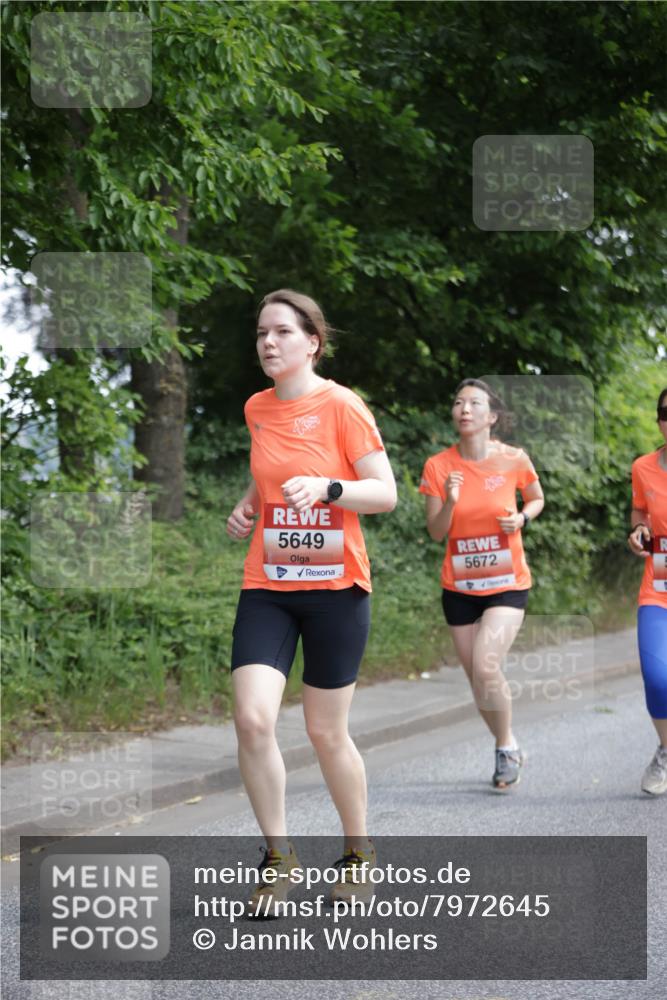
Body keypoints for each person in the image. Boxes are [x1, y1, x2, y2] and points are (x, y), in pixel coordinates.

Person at [227, 289, 397, 914]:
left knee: (326, 731)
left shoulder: (343, 405)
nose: (267, 343)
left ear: (312, 343)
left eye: (280, 333)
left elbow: (384, 494)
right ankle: (278, 857)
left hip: (335, 588)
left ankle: (358, 852)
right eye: (260, 334)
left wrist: (328, 489)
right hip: (269, 583)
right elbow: (270, 468)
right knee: (252, 719)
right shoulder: (257, 407)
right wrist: (252, 501)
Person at [419, 378, 545, 789]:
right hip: (459, 588)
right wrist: (452, 502)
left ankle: (506, 745)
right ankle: (505, 742)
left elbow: (537, 497)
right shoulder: (438, 466)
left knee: (486, 664)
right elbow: (437, 532)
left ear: (492, 417)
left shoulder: (513, 459)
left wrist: (523, 518)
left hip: (507, 582)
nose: (464, 409)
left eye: (474, 403)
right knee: (478, 679)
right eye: (458, 403)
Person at [627, 387, 667, 795]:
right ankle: (666, 750)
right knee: (658, 679)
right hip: (659, 591)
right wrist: (638, 532)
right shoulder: (643, 468)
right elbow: (640, 514)